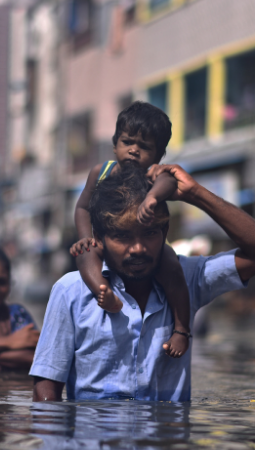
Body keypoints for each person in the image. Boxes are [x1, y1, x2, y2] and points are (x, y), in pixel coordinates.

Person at [31, 164, 255, 401]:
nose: (138, 248)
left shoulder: (189, 278)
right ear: (99, 237)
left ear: (165, 232)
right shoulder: (71, 291)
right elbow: (47, 391)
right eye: (122, 236)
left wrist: (196, 194)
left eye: (150, 233)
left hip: (167, 445)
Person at [70, 101, 191, 358]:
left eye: (145, 147)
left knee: (171, 264)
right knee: (85, 253)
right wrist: (85, 237)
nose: (134, 151)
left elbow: (169, 181)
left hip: (149, 248)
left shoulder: (154, 176)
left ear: (159, 155)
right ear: (115, 145)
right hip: (108, 243)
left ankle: (181, 328)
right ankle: (105, 293)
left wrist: (152, 198)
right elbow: (82, 208)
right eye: (128, 143)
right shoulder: (101, 172)